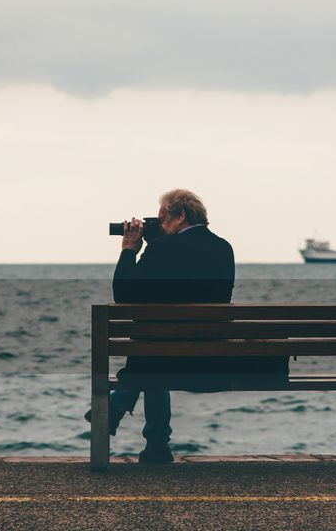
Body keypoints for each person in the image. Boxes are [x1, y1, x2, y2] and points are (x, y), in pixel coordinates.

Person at [90, 189, 237, 464]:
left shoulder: (161, 249)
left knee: (151, 353)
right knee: (155, 350)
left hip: (163, 357)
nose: (160, 224)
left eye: (162, 218)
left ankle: (125, 413)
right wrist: (160, 240)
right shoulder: (223, 247)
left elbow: (123, 294)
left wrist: (129, 250)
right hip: (212, 359)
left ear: (180, 215)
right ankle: (154, 445)